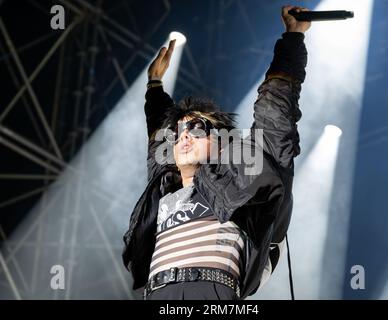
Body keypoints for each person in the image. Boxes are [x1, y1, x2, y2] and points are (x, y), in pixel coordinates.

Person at [122, 5, 311, 300]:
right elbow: (158, 140)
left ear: (222, 143)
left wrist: (292, 39)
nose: (184, 137)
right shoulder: (163, 191)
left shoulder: (241, 187)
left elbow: (275, 118)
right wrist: (154, 85)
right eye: (179, 132)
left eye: (197, 128)